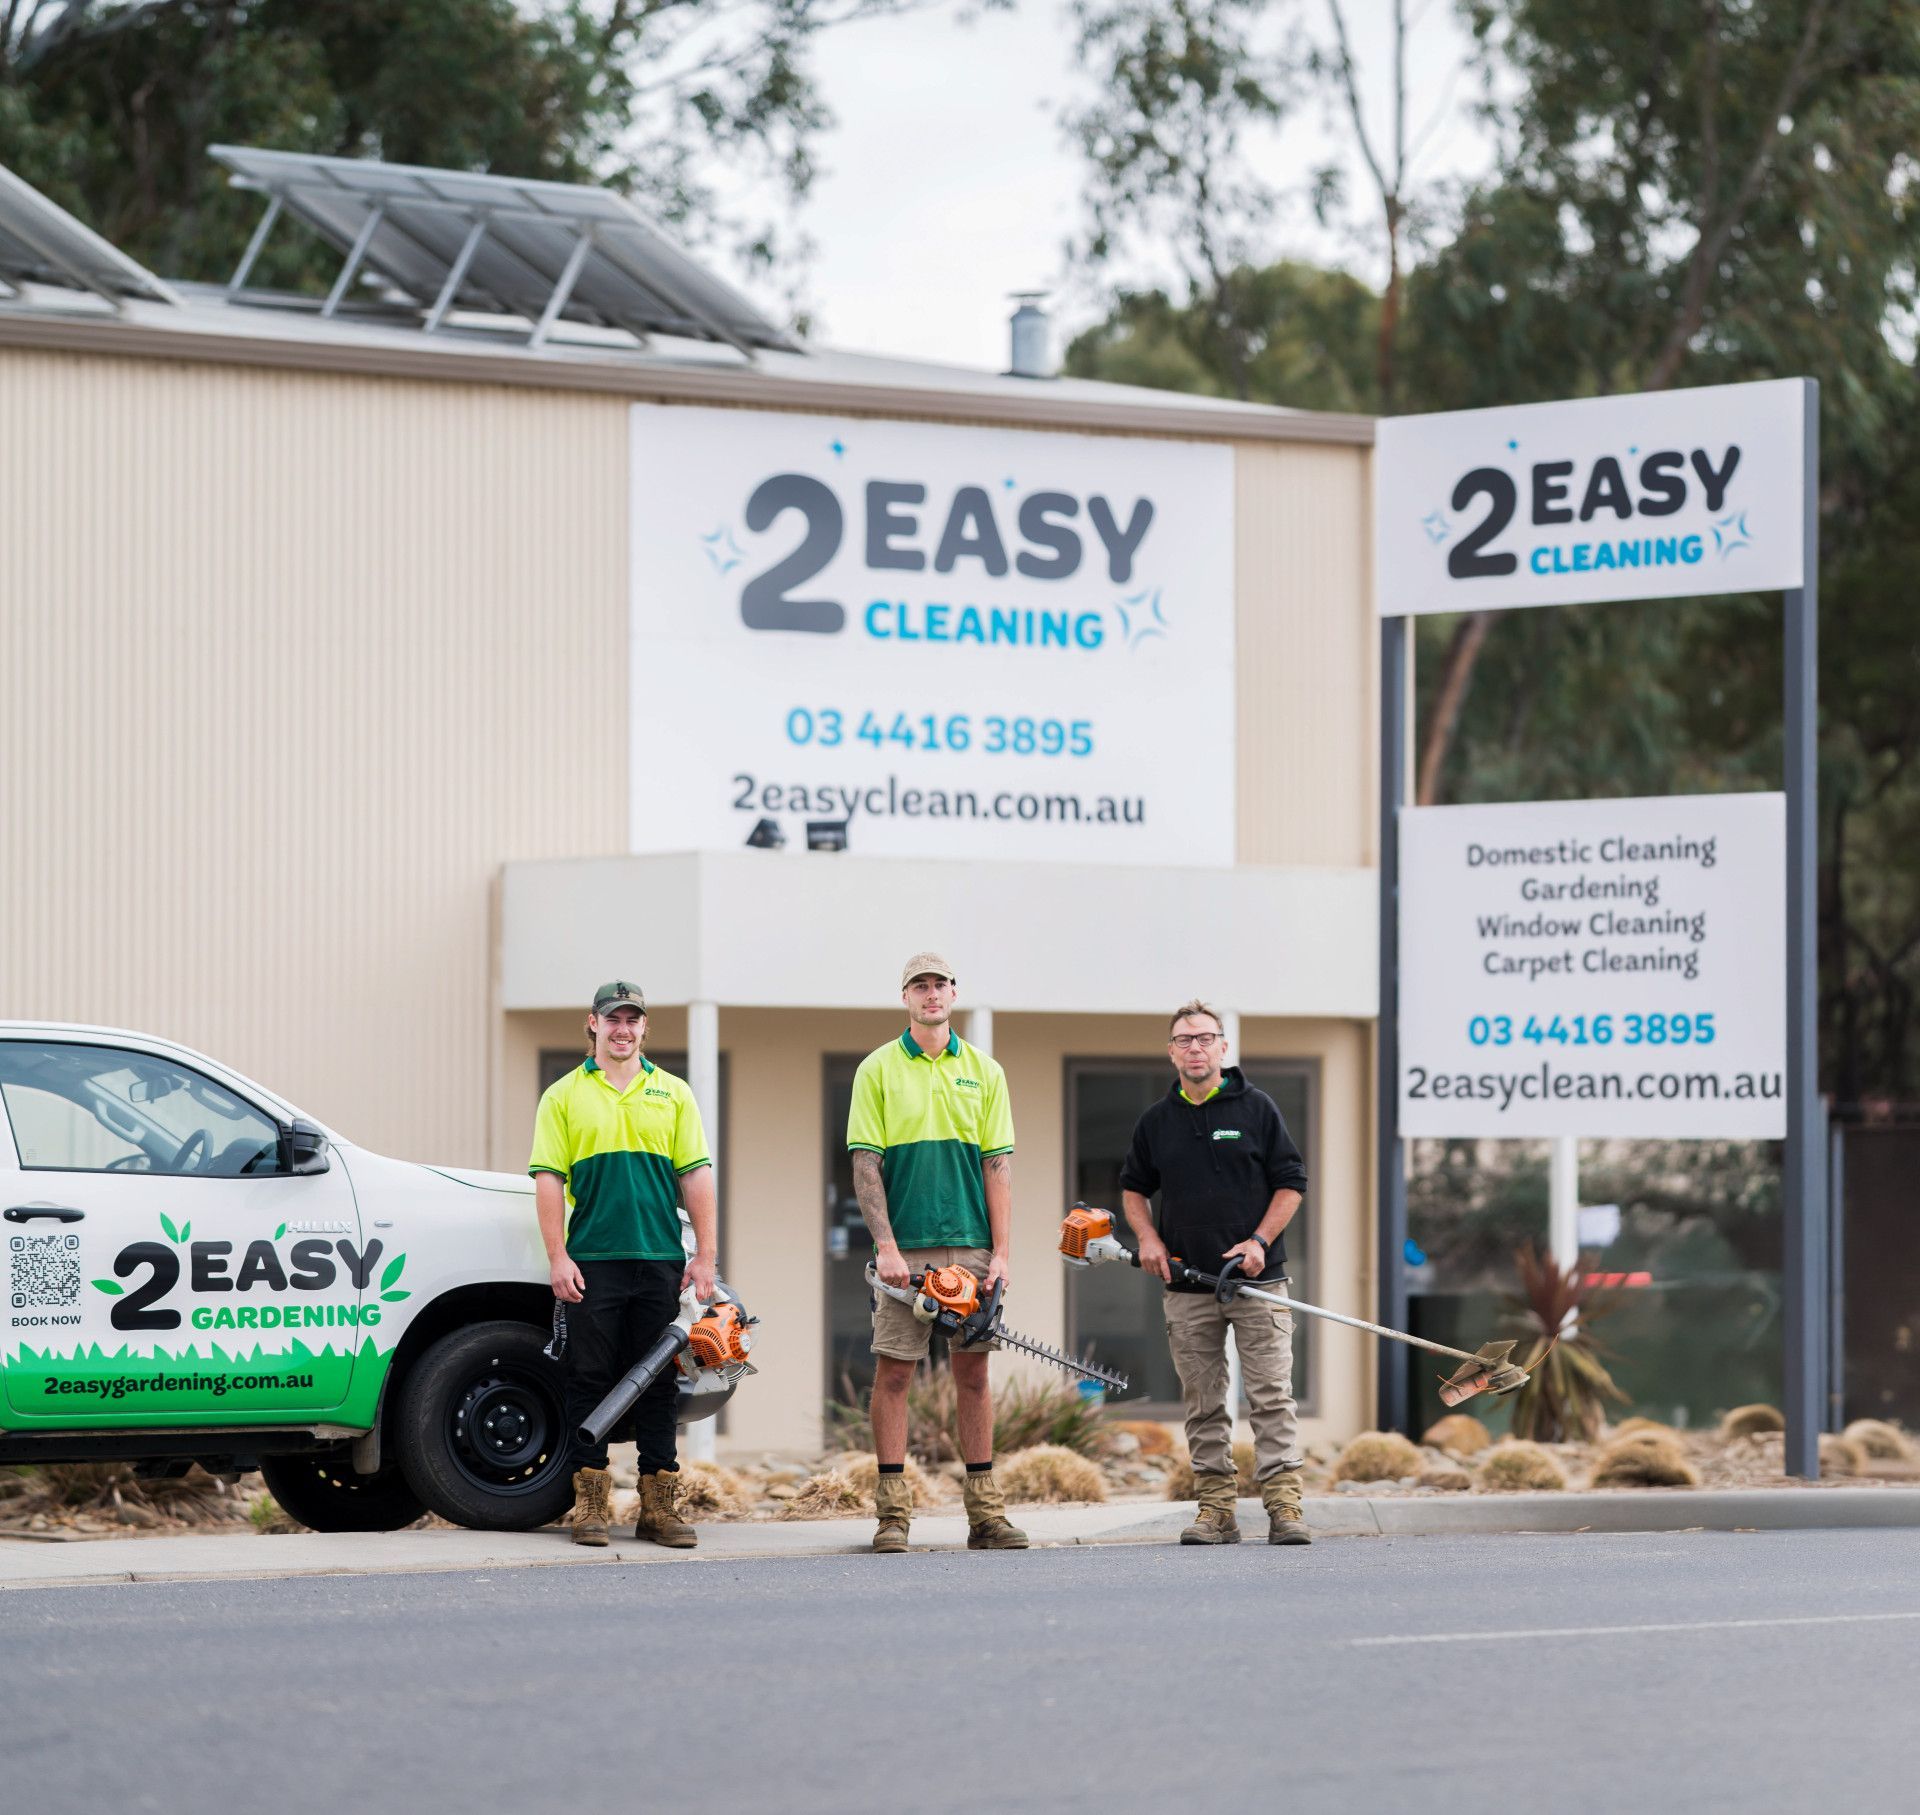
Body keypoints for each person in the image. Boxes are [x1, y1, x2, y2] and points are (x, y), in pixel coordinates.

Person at [847, 953, 1027, 1553]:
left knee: (973, 1375)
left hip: (971, 1246)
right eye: (919, 985)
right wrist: (887, 1246)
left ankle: (986, 1515)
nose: (930, 994)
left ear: (954, 993)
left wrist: (1001, 1253)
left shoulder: (985, 1071)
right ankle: (893, 1516)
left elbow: (996, 1164)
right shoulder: (876, 1068)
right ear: (905, 996)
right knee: (894, 1373)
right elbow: (866, 1166)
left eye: (939, 984)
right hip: (908, 1250)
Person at [529, 980, 717, 1548]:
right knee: (588, 1378)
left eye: (633, 1020)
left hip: (661, 1259)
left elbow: (697, 1177)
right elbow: (548, 1180)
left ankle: (658, 1508)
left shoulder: (673, 1093)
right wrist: (557, 1255)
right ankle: (590, 1505)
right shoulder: (562, 1096)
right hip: (591, 1263)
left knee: (658, 1383)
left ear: (644, 1028)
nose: (623, 1029)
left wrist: (705, 1255)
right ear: (594, 1024)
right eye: (613, 1019)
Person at [1119, 999, 1311, 1546]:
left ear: (1223, 1047)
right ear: (1172, 1051)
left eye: (1204, 1038)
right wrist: (1150, 1239)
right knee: (1203, 1402)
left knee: (1271, 1397)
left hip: (1257, 1279)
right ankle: (1216, 1512)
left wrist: (1259, 1241)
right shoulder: (1157, 1122)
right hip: (1187, 1285)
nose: (1195, 1048)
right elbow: (1134, 1188)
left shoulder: (1257, 1109)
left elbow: (1291, 1182)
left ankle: (1284, 1509)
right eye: (1183, 1040)